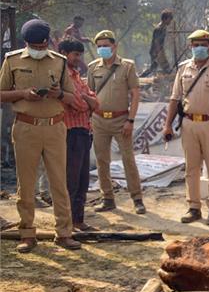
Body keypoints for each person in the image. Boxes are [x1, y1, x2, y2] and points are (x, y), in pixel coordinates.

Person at [0, 19, 81, 252]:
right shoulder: (12, 60)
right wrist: (23, 93)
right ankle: (27, 233)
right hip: (26, 128)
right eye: (34, 45)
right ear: (26, 43)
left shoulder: (60, 62)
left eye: (42, 44)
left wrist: (58, 94)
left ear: (48, 41)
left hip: (55, 127)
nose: (38, 49)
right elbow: (1, 93)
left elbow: (71, 98)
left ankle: (64, 233)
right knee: (26, 184)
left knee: (58, 182)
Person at [163, 29, 209, 225]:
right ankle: (193, 207)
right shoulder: (183, 68)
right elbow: (174, 98)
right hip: (188, 123)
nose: (199, 48)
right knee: (191, 168)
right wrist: (167, 125)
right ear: (191, 47)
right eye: (196, 45)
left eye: (203, 44)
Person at [88, 30, 145, 214]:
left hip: (121, 119)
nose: (103, 49)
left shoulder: (127, 66)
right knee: (102, 161)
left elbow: (135, 94)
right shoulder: (93, 67)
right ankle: (108, 199)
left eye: (106, 45)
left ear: (115, 46)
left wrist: (130, 120)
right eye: (100, 46)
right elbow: (89, 95)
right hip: (98, 120)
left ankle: (137, 199)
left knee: (128, 160)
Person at [58, 38, 99, 231]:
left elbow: (96, 103)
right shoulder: (62, 76)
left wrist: (86, 100)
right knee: (71, 180)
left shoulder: (76, 75)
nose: (78, 58)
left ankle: (78, 220)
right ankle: (67, 222)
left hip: (84, 131)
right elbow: (79, 105)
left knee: (82, 179)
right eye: (75, 54)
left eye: (79, 54)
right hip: (70, 132)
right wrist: (86, 100)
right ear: (64, 53)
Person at [140, 9, 173, 77]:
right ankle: (141, 78)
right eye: (169, 19)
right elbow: (156, 42)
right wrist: (159, 54)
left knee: (153, 68)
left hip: (158, 51)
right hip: (156, 52)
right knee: (166, 68)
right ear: (165, 19)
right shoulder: (159, 28)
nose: (170, 21)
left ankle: (141, 78)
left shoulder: (163, 28)